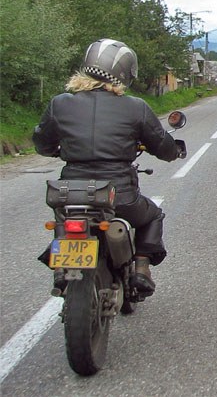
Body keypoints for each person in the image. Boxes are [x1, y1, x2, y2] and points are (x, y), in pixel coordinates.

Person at [33, 38, 182, 296]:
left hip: (68, 194)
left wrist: (56, 149)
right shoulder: (136, 107)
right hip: (118, 196)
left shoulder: (60, 103)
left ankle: (62, 267)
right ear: (125, 73)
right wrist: (175, 150)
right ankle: (141, 269)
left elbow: (42, 142)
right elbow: (163, 146)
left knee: (64, 219)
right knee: (152, 214)